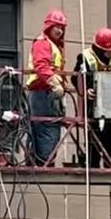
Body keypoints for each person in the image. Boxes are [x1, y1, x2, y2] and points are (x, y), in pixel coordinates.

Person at [75, 28, 111, 169]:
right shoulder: (86, 57)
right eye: (108, 51)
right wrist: (86, 89)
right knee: (94, 141)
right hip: (94, 106)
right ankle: (93, 167)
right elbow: (76, 78)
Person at [28, 9, 71, 165]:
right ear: (49, 26)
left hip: (48, 93)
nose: (59, 31)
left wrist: (61, 85)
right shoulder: (43, 43)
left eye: (62, 28)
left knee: (49, 128)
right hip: (42, 93)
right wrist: (55, 83)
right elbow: (41, 66)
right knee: (46, 129)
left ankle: (43, 161)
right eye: (57, 27)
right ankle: (43, 163)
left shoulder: (53, 45)